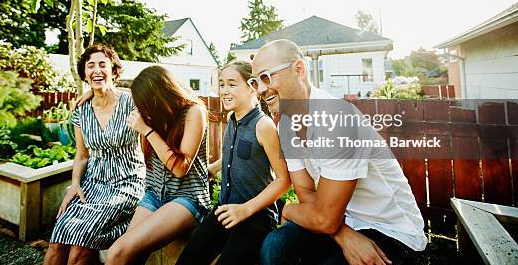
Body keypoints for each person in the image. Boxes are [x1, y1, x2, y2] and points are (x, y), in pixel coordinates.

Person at [253, 39, 427, 265]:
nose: (260, 89)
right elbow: (305, 192)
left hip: (392, 231)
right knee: (275, 246)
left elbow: (323, 218)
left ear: (299, 69)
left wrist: (288, 208)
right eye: (254, 82)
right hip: (343, 221)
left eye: (266, 77)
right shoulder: (286, 126)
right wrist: (341, 232)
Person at [176, 61, 291, 265]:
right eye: (222, 84)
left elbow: (283, 179)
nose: (224, 91)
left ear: (252, 87)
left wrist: (245, 209)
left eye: (232, 84)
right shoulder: (232, 119)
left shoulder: (263, 126)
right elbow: (238, 154)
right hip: (225, 209)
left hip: (255, 217)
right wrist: (213, 168)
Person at [44, 45, 146, 265]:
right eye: (91, 66)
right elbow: (81, 155)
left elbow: (156, 93)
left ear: (114, 71)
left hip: (125, 185)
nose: (96, 70)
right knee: (56, 242)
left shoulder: (132, 103)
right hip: (93, 184)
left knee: (79, 248)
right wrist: (74, 185)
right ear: (85, 73)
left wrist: (102, 89)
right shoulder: (82, 110)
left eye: (103, 65)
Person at [105, 65, 211, 265]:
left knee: (117, 253)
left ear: (158, 96)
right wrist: (89, 94)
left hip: (187, 198)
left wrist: (148, 131)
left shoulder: (193, 112)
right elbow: (116, 94)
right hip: (154, 194)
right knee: (124, 254)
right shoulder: (155, 114)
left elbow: (180, 169)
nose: (141, 110)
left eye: (145, 104)